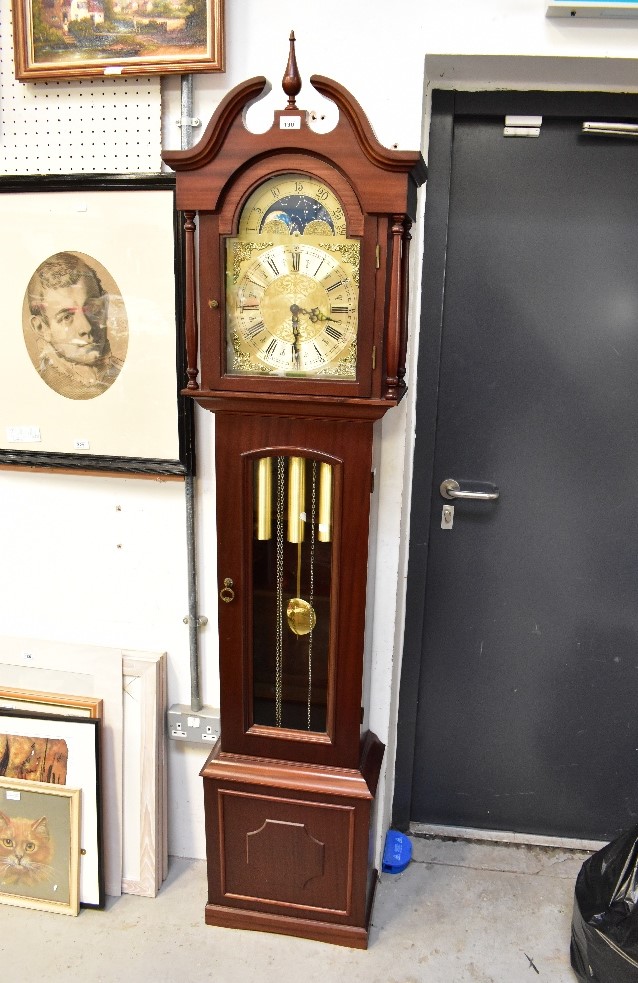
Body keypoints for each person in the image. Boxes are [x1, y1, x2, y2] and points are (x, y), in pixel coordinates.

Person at [25, 251, 125, 400]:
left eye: (92, 308)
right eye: (67, 317)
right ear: (42, 328)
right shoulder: (33, 393)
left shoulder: (125, 374)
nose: (87, 327)